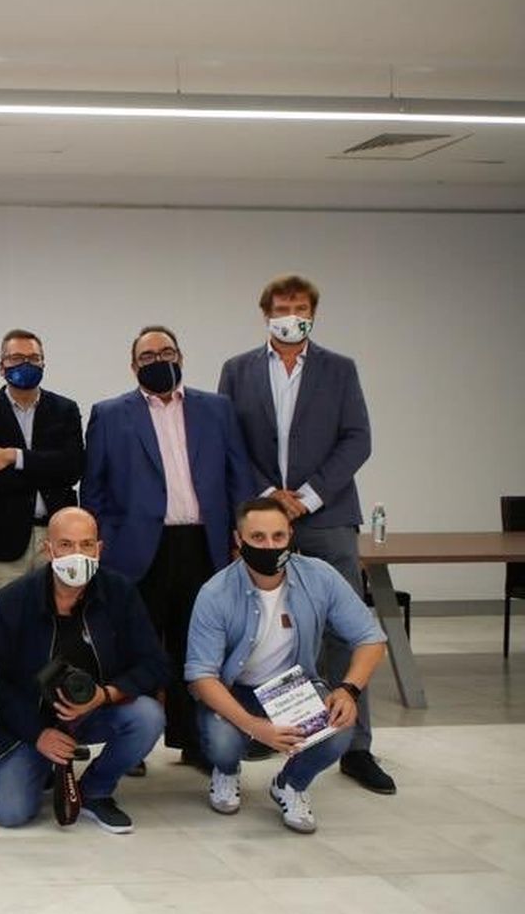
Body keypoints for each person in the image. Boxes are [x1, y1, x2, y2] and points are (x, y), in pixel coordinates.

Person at [218, 275, 392, 795]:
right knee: (262, 624)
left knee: (345, 629)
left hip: (330, 517)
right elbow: (229, 440)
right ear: (265, 314)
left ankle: (355, 746)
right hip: (260, 518)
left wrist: (308, 497)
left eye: (299, 306)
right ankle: (264, 730)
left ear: (313, 313)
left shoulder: (340, 370)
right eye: (280, 306)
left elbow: (358, 438)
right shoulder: (238, 370)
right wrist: (272, 496)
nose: (290, 313)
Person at [81, 325, 254, 770]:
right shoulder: (109, 413)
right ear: (133, 365)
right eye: (147, 356)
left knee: (196, 644)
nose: (158, 360)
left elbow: (238, 475)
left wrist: (242, 531)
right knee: (133, 645)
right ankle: (132, 739)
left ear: (181, 355)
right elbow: (94, 488)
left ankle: (191, 738)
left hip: (202, 543)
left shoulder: (216, 409)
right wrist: (102, 543)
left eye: (167, 352)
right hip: (135, 550)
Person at [187, 498, 386, 833]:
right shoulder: (215, 592)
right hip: (233, 690)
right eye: (258, 538)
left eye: (278, 537)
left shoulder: (320, 576)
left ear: (291, 535)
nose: (270, 546)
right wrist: (254, 726)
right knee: (223, 743)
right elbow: (201, 677)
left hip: (291, 689)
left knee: (340, 726)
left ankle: (291, 784)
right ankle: (227, 770)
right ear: (239, 539)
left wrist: (348, 690)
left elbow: (371, 639)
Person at [0, 507, 168, 833]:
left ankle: (95, 790)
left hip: (95, 710)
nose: (77, 554)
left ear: (99, 549)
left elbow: (155, 663)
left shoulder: (120, 593)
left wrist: (106, 695)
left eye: (86, 544)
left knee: (148, 716)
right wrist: (38, 734)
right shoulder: (10, 601)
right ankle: (45, 767)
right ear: (47, 548)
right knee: (11, 813)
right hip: (31, 722)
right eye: (66, 545)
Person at [0, 329, 85, 635]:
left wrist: (14, 457)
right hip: (2, 541)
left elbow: (73, 467)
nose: (26, 364)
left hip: (56, 535)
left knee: (59, 624)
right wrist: (47, 464)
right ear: (1, 366)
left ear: (44, 363)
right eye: (17, 358)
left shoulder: (65, 409)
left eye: (33, 358)